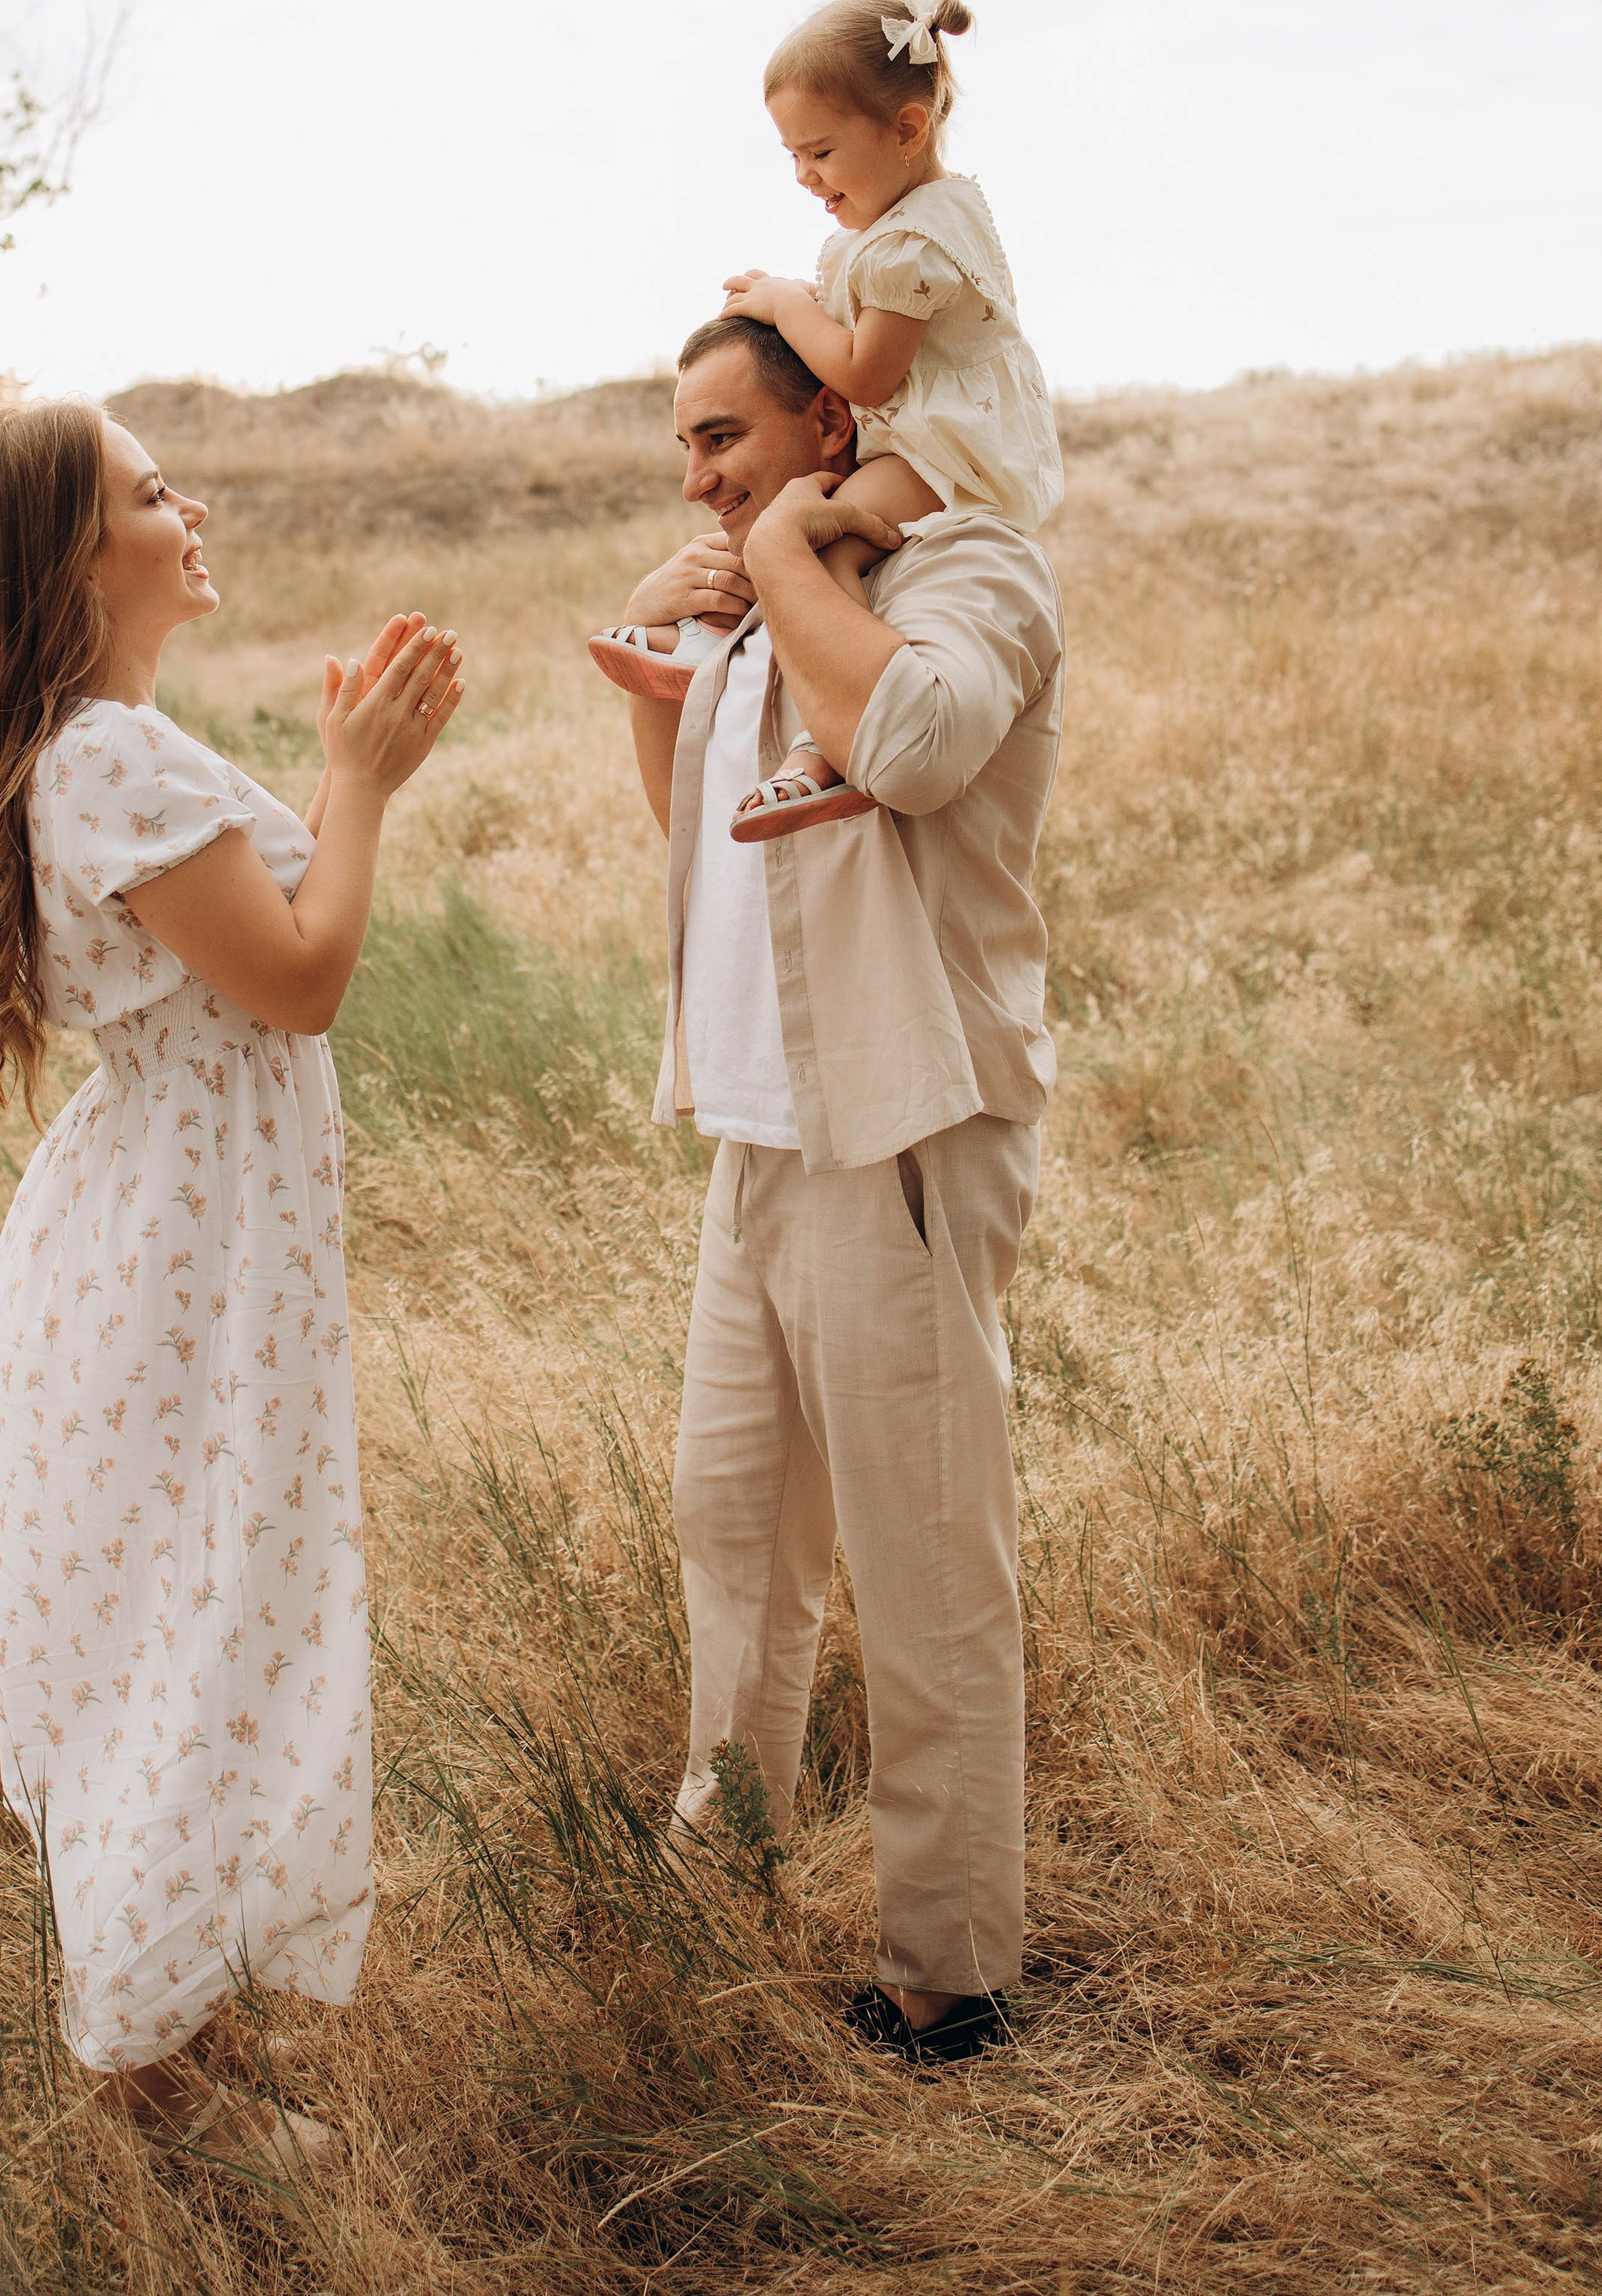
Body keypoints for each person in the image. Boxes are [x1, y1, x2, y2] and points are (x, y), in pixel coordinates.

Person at [0, 401, 463, 2163]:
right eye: (147, 493)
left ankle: (169, 2058)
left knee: (174, 1618)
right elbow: (295, 978)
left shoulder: (98, 745)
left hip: (167, 1230)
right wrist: (356, 787)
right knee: (195, 1619)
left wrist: (325, 782)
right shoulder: (108, 757)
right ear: (71, 558)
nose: (187, 503)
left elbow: (222, 964)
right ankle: (160, 2088)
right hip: (177, 1254)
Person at [602, 313, 1064, 2063]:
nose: (703, 475)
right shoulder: (756, 602)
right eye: (687, 450)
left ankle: (950, 1962)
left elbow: (921, 747)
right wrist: (664, 647)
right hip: (760, 1133)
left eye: (728, 437)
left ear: (834, 416)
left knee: (922, 1547)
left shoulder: (968, 571)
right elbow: (696, 838)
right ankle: (722, 1858)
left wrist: (789, 549)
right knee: (733, 1522)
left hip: (897, 1129)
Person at [590, 0, 1061, 840]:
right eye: (792, 156)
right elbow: (687, 835)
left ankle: (823, 749)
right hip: (923, 446)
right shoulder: (898, 234)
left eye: (820, 152)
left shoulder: (913, 242)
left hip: (944, 453)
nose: (806, 176)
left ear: (907, 128)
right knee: (814, 534)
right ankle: (705, 652)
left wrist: (785, 303)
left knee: (825, 533)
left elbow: (868, 376)